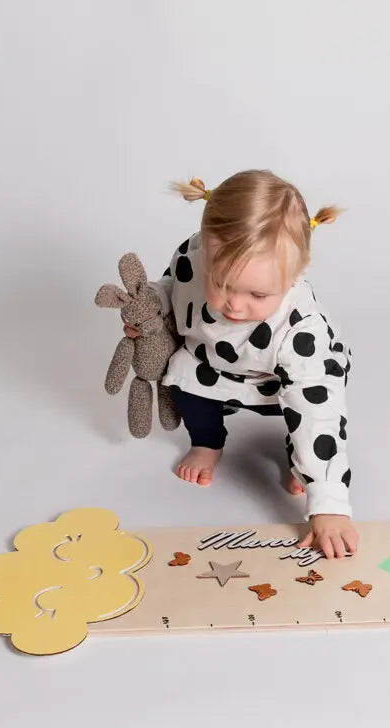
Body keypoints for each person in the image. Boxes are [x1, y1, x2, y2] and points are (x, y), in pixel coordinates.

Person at [124, 169, 358, 558]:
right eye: (220, 283)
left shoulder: (301, 332)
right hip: (211, 365)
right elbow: (172, 286)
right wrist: (151, 304)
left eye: (257, 294)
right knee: (183, 380)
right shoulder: (194, 255)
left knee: (303, 421)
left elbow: (319, 412)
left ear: (297, 273)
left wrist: (329, 503)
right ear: (205, 250)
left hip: (279, 381)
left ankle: (301, 463)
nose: (234, 304)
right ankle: (207, 442)